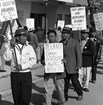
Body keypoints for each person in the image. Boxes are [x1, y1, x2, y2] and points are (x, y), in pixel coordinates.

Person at [10, 28, 37, 105]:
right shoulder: (12, 47)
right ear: (17, 37)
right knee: (16, 96)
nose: (25, 38)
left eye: (25, 36)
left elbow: (33, 60)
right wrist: (9, 46)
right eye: (23, 36)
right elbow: (7, 57)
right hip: (15, 74)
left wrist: (22, 66)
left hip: (26, 74)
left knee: (26, 96)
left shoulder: (29, 47)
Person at [41, 30, 66, 105]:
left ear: (55, 37)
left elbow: (66, 57)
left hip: (59, 73)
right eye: (49, 37)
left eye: (52, 36)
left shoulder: (60, 46)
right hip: (49, 73)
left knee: (60, 90)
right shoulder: (46, 48)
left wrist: (65, 60)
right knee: (48, 91)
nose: (51, 38)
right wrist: (43, 62)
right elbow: (42, 60)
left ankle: (62, 102)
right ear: (47, 38)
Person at [61, 27, 83, 101]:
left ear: (69, 34)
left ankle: (80, 93)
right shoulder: (60, 42)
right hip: (63, 67)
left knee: (75, 82)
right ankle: (65, 97)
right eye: (63, 33)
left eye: (66, 33)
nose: (64, 35)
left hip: (73, 66)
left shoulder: (75, 41)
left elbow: (79, 54)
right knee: (65, 83)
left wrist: (79, 64)